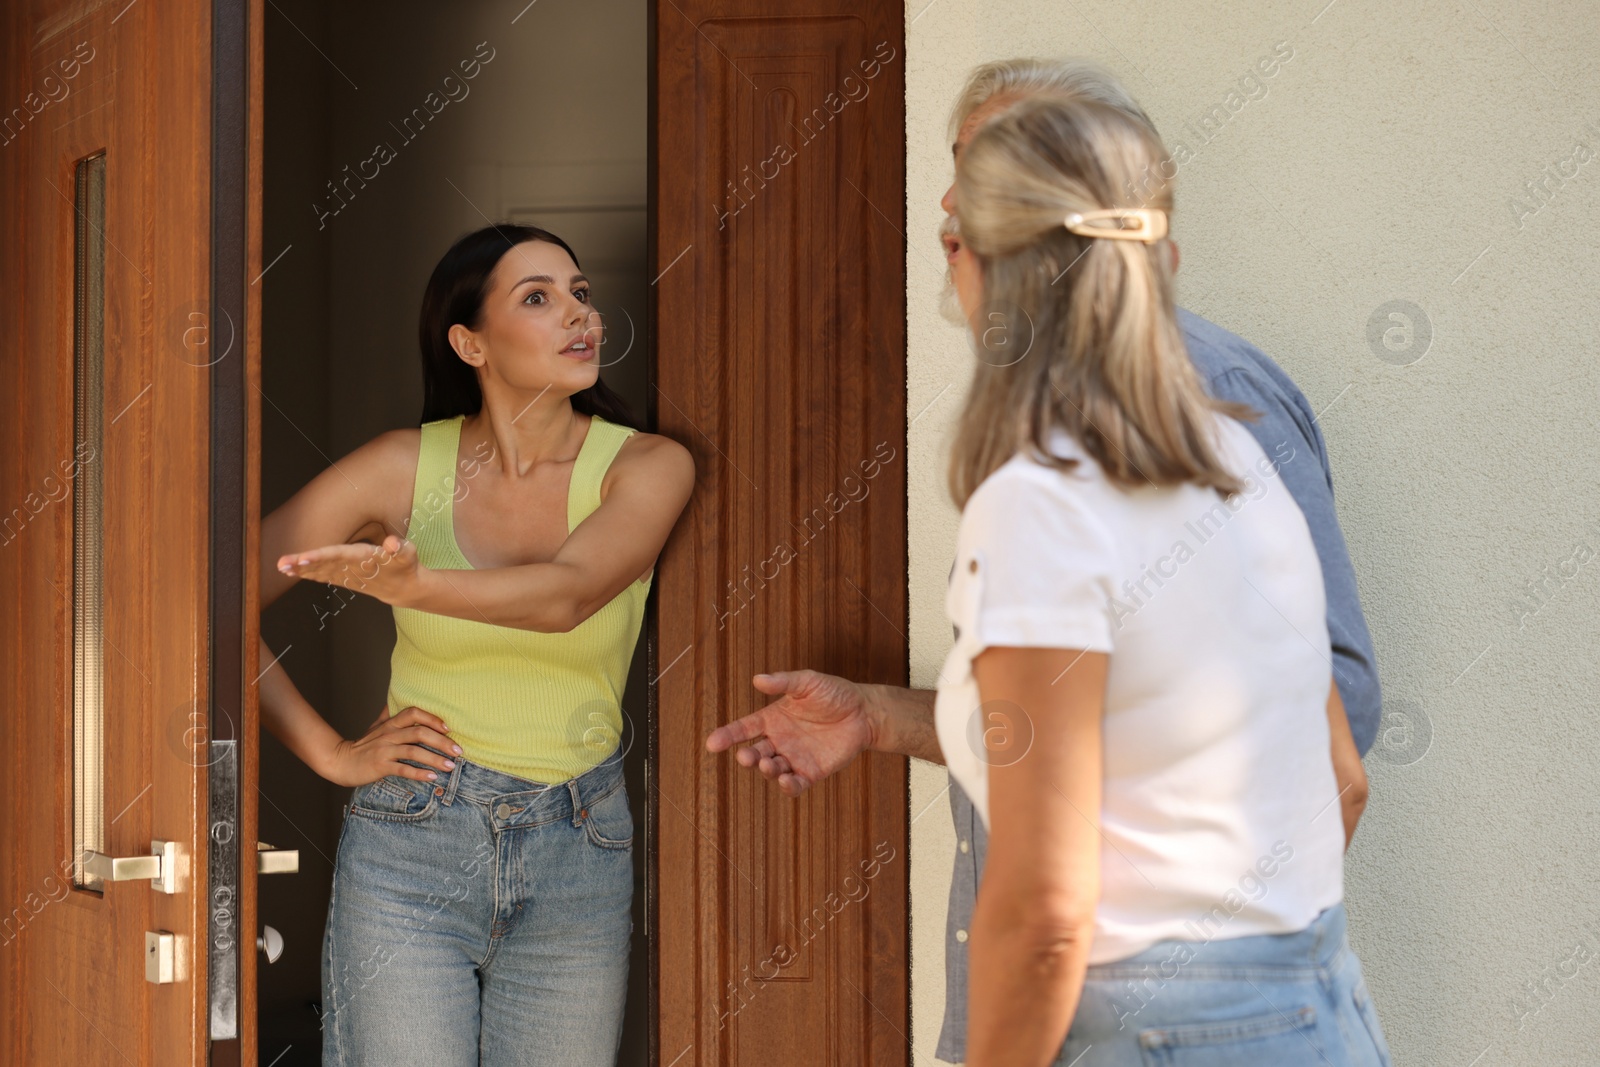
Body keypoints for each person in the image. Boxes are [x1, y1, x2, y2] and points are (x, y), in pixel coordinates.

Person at [705, 60, 1388, 1066]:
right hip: (1313, 1010)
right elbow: (1335, 778)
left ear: (971, 252)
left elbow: (1048, 907)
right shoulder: (1224, 447)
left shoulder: (1045, 495)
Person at [260, 224, 693, 1065]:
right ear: (470, 342)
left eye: (581, 293)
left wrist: (417, 587)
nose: (579, 314)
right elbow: (208, 604)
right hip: (414, 840)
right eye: (538, 297)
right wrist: (331, 753)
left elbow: (567, 594)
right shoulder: (397, 469)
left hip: (581, 845)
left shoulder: (645, 466)